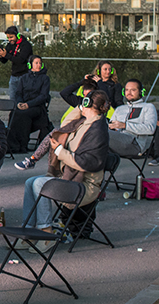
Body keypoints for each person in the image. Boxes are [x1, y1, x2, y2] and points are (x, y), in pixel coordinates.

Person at [19, 89, 109, 249]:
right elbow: (65, 124)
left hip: (84, 186)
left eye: (84, 102)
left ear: (87, 103)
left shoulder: (97, 130)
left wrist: (60, 151)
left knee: (40, 184)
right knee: (29, 182)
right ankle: (29, 231)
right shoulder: (85, 122)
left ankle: (46, 232)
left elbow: (85, 163)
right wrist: (79, 110)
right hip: (71, 179)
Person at [8, 56, 53, 154]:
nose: (39, 65)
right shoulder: (24, 78)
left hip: (37, 107)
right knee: (14, 113)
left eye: (40, 63)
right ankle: (13, 145)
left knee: (24, 114)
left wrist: (28, 104)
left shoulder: (45, 78)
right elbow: (18, 93)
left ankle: (22, 145)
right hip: (24, 105)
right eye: (36, 63)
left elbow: (43, 96)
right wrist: (20, 103)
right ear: (30, 65)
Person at [107, 79, 156, 157]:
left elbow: (150, 129)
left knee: (99, 132)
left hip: (134, 144)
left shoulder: (148, 107)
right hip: (116, 141)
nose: (129, 93)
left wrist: (125, 126)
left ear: (140, 91)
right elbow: (111, 127)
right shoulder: (120, 109)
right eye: (126, 90)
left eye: (133, 90)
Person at [0, 26, 33, 101]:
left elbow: (20, 60)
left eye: (11, 37)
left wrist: (6, 55)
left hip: (24, 75)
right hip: (14, 76)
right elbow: (4, 61)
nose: (10, 39)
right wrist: (1, 56)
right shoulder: (10, 45)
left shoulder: (26, 45)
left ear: (17, 35)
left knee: (24, 99)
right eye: (8, 38)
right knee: (13, 100)